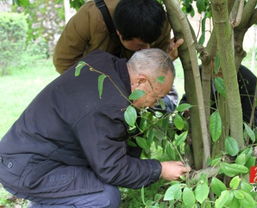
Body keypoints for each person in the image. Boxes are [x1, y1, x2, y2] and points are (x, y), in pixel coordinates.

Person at [0, 49, 190, 208]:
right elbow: (112, 169)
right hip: (28, 169)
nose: (153, 104)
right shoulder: (108, 107)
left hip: (25, 152)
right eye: (156, 97)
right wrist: (160, 169)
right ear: (140, 81)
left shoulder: (103, 63)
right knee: (104, 197)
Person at [53, 0, 183, 112]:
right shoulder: (90, 17)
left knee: (166, 106)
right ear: (119, 34)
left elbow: (153, 67)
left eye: (151, 43)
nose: (147, 50)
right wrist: (103, 89)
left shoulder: (160, 22)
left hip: (137, 90)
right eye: (140, 46)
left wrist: (166, 57)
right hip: (95, 87)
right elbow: (63, 62)